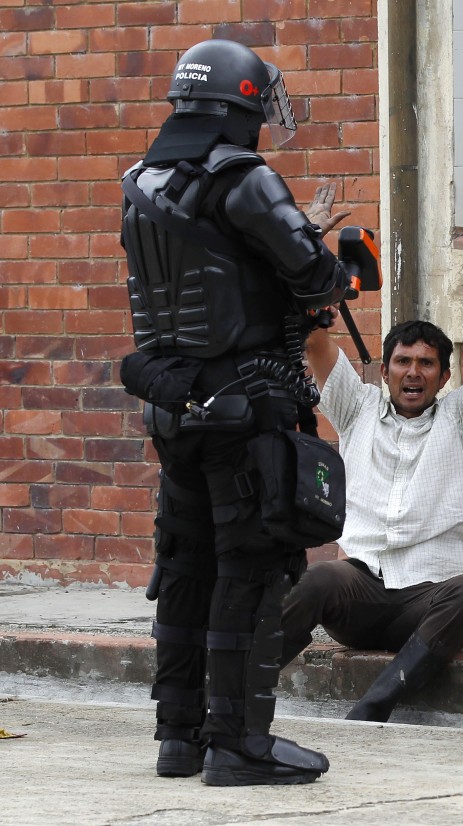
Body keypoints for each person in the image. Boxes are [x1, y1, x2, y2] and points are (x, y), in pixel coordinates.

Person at [120, 39, 358, 785]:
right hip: (247, 409)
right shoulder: (245, 178)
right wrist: (338, 264)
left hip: (176, 411)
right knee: (249, 573)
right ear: (241, 104)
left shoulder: (141, 182)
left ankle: (178, 739)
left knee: (186, 569)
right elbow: (315, 276)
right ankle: (239, 745)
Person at [278, 190, 463, 723]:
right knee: (319, 577)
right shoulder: (355, 407)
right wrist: (303, 243)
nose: (414, 372)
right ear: (385, 370)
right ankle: (241, 683)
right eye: (403, 361)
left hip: (428, 602)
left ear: (444, 375)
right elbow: (314, 342)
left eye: (427, 364)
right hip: (360, 594)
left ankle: (375, 706)